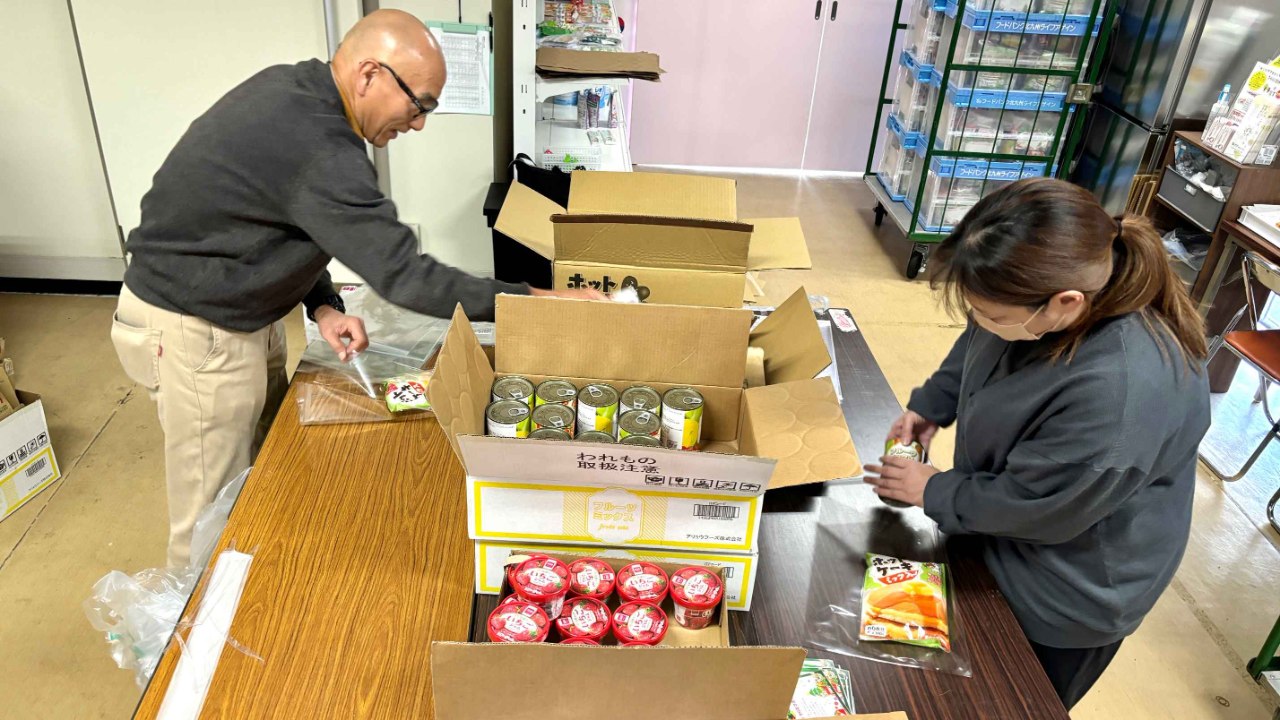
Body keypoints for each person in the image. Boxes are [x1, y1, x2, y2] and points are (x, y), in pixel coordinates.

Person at [110, 9, 601, 567]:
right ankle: (192, 618)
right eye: (420, 105)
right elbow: (405, 275)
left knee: (259, 475)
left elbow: (273, 220)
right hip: (194, 327)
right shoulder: (318, 143)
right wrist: (537, 300)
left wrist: (322, 303)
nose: (418, 125)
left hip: (238, 313)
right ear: (370, 75)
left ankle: (251, 587)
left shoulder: (299, 92)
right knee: (210, 516)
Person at [865, 178, 1210, 709]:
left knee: (1009, 703)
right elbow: (984, 336)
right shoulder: (1041, 302)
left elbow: (1039, 507)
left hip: (1066, 591)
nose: (983, 323)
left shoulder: (1122, 391)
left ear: (1065, 303)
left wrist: (933, 490)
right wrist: (932, 403)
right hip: (998, 534)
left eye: (995, 315)